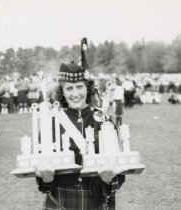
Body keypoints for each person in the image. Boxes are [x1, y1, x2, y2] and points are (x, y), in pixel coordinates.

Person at [35, 62, 125, 210]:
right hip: (60, 200)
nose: (75, 93)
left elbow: (120, 172)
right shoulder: (51, 122)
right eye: (69, 88)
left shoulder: (103, 120)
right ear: (62, 91)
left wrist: (108, 180)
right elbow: (43, 183)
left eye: (79, 87)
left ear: (87, 88)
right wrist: (46, 179)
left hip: (97, 202)